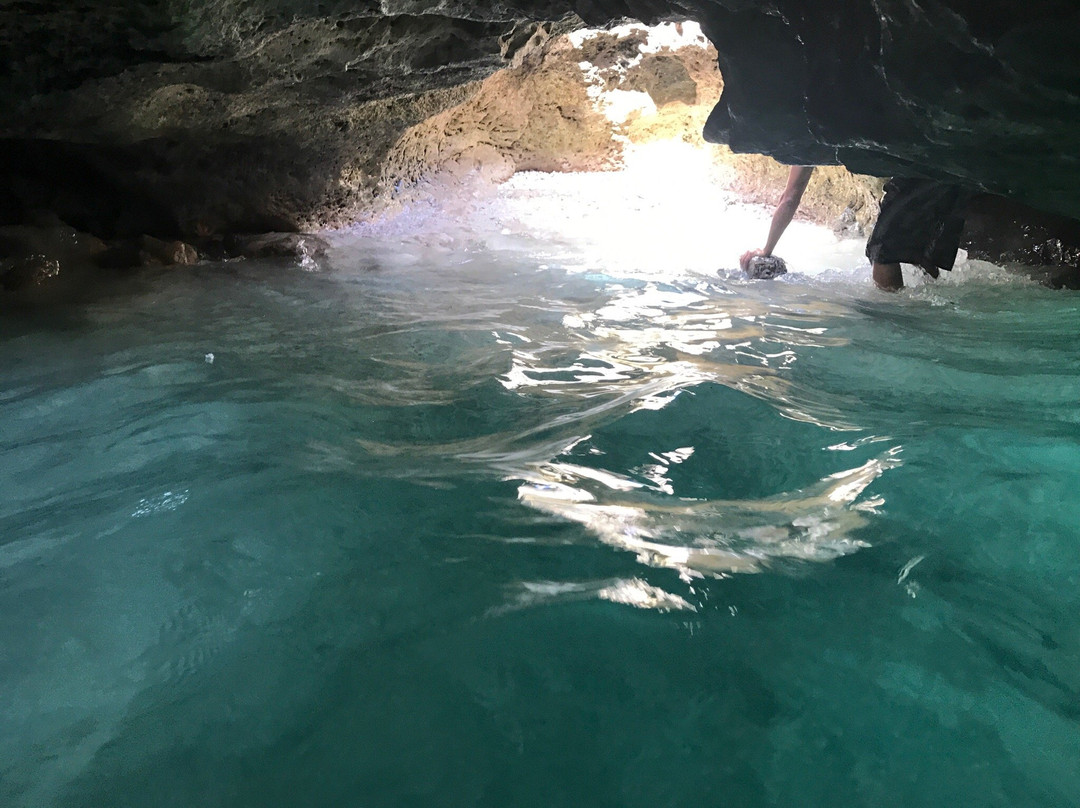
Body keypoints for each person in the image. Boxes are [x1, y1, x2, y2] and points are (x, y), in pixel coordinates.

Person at [740, 166, 970, 291]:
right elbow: (789, 198)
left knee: (881, 250)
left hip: (924, 169)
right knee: (921, 251)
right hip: (948, 167)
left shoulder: (808, 131)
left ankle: (895, 315)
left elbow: (790, 197)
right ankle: (928, 304)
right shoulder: (817, 126)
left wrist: (766, 250)